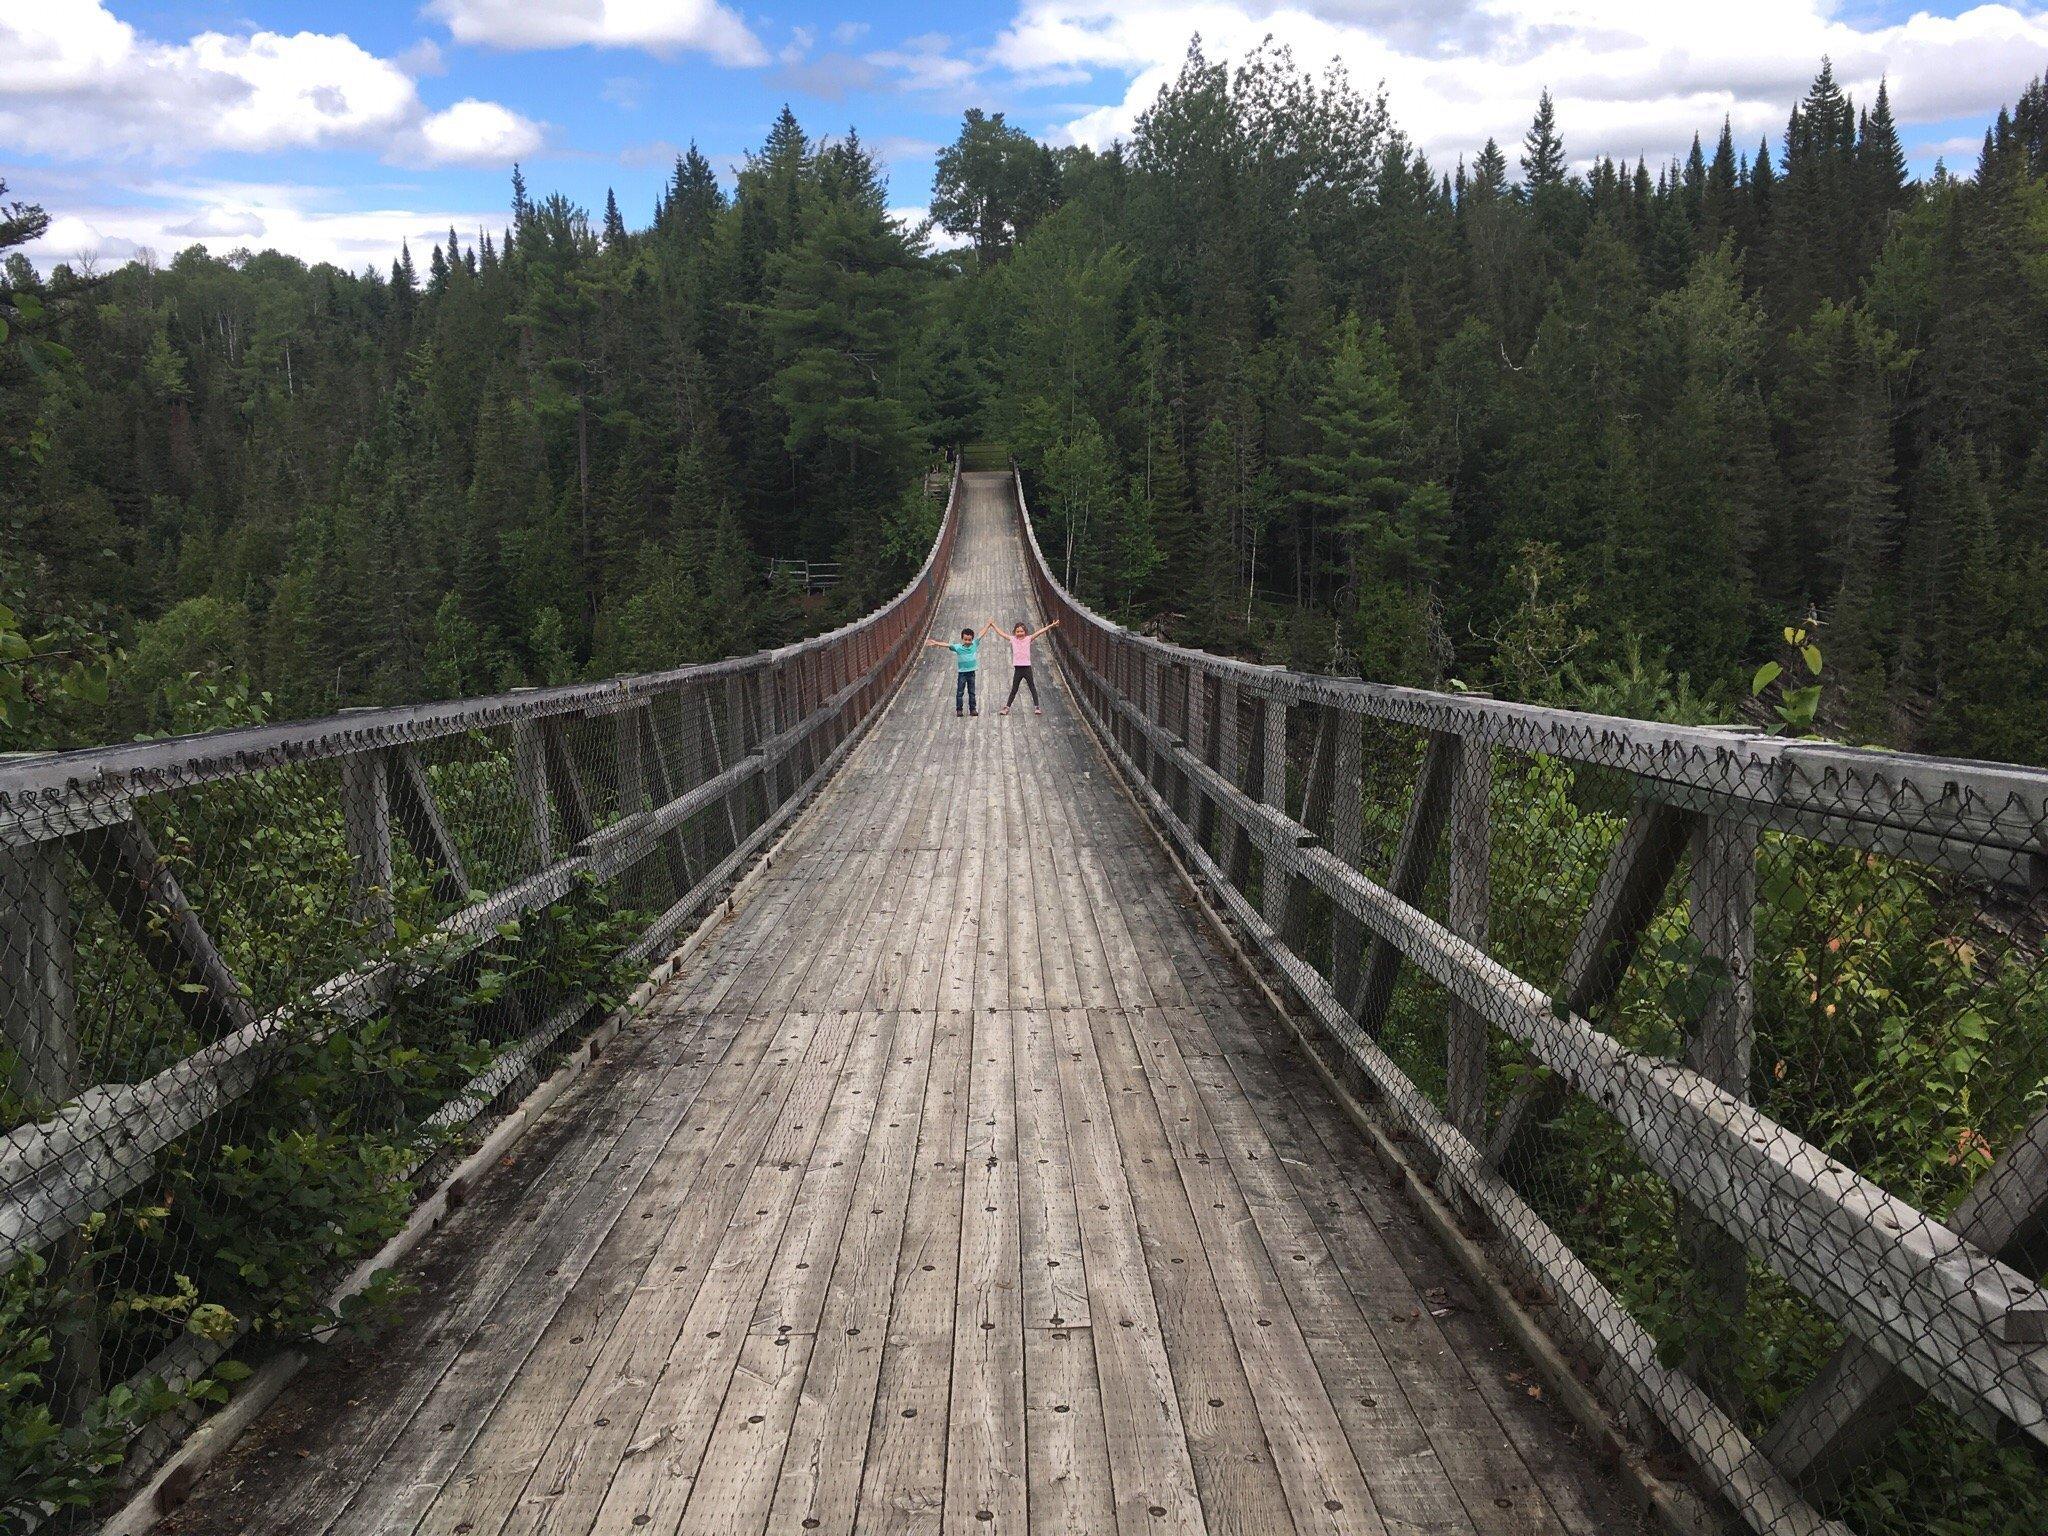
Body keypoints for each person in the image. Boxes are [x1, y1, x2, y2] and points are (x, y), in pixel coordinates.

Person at [989, 617, 1059, 715]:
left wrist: (1051, 626)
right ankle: (1007, 707)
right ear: (1014, 632)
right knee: (1014, 688)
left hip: (1027, 668)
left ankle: (1037, 707)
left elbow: (1040, 632)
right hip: (1018, 669)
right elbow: (1001, 633)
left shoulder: (1028, 639)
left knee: (1032, 687)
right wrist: (993, 625)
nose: (1020, 633)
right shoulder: (1012, 639)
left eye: (1021, 631)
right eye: (1017, 631)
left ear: (1025, 632)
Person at [925, 623, 993, 717]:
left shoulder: (974, 644)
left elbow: (981, 634)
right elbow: (947, 645)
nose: (968, 641)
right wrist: (936, 643)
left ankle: (972, 709)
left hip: (971, 673)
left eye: (969, 640)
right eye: (965, 639)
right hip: (962, 673)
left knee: (972, 692)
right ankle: (959, 709)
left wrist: (988, 625)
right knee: (960, 692)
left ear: (972, 639)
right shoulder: (958, 647)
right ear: (962, 639)